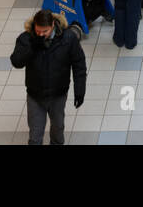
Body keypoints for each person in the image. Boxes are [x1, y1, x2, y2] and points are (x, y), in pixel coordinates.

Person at [9, 9, 87, 145]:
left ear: (52, 25)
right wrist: (32, 47)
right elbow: (16, 61)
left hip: (58, 95)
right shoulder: (26, 38)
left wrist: (80, 90)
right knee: (35, 135)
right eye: (38, 31)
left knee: (58, 130)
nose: (40, 34)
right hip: (35, 96)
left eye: (44, 31)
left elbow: (79, 65)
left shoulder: (68, 39)